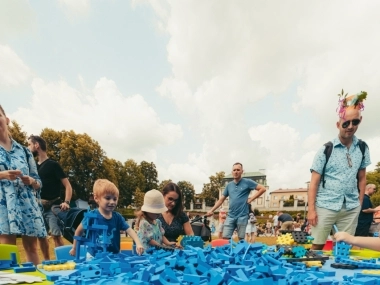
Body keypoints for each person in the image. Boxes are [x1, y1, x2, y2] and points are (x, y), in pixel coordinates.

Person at [307, 91, 371, 250]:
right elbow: (314, 183)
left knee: (344, 247)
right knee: (317, 246)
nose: (350, 127)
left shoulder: (363, 148)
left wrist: (359, 203)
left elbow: (362, 178)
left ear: (360, 121)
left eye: (355, 122)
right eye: (346, 123)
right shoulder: (326, 150)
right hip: (325, 204)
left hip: (350, 206)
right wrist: (311, 210)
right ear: (338, 124)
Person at [0, 105, 47, 265]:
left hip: (27, 205)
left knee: (32, 249)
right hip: (3, 206)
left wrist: (32, 181)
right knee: (6, 250)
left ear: (6, 120)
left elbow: (38, 182)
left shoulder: (24, 151)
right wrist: (2, 175)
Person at [69, 179, 143, 256]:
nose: (112, 202)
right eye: (107, 198)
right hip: (93, 256)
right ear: (96, 198)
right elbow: (78, 231)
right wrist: (74, 247)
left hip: (114, 255)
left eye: (115, 199)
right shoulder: (91, 216)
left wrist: (138, 243)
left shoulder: (117, 217)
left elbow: (130, 230)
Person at [27, 135, 73, 260]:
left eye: (29, 144)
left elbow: (68, 186)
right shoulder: (33, 168)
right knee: (41, 236)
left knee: (56, 235)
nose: (27, 148)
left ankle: (63, 263)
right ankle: (47, 262)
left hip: (53, 207)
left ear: (37, 145)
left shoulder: (53, 165)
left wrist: (67, 202)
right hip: (38, 207)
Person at [206, 162, 266, 240]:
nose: (236, 172)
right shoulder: (229, 185)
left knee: (241, 238)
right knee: (225, 238)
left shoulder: (247, 182)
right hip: (230, 216)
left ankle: (241, 251)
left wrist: (251, 199)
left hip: (242, 216)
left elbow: (263, 189)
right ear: (232, 172)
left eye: (238, 170)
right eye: (234, 170)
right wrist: (211, 210)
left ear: (242, 171)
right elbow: (221, 200)